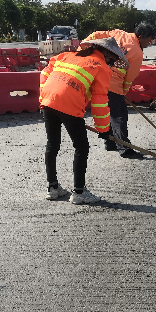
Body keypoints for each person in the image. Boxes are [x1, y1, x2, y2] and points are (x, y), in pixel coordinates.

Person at [39, 37, 130, 204]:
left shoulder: (67, 56)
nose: (112, 64)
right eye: (113, 60)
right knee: (81, 147)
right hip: (70, 104)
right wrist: (104, 130)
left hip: (48, 100)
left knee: (52, 145)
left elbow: (44, 73)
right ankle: (79, 192)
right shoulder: (101, 67)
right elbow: (100, 101)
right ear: (107, 55)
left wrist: (43, 97)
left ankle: (52, 188)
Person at [80, 21, 156, 158]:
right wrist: (122, 92)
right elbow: (129, 78)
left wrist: (83, 48)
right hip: (113, 84)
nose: (148, 44)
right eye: (148, 41)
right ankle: (124, 149)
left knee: (107, 112)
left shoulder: (118, 33)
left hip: (97, 80)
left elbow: (97, 34)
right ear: (140, 36)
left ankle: (110, 143)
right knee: (119, 116)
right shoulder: (137, 53)